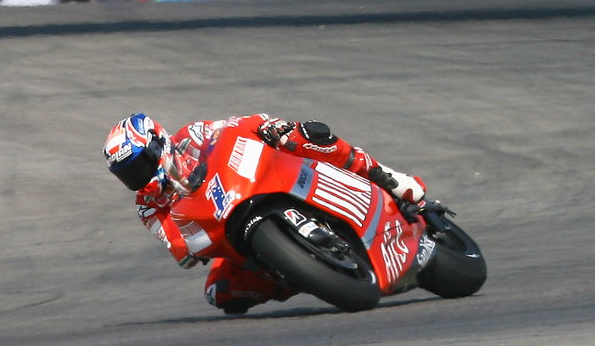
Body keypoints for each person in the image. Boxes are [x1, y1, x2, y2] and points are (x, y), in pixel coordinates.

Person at [103, 113, 425, 315]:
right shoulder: (148, 205)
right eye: (127, 174)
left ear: (158, 144)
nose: (137, 178)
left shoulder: (192, 135)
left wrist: (271, 128)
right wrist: (184, 241)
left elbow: (237, 125)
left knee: (308, 134)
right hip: (229, 234)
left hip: (255, 182)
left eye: (139, 165)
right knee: (221, 295)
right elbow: (180, 250)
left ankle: (387, 178)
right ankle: (299, 274)